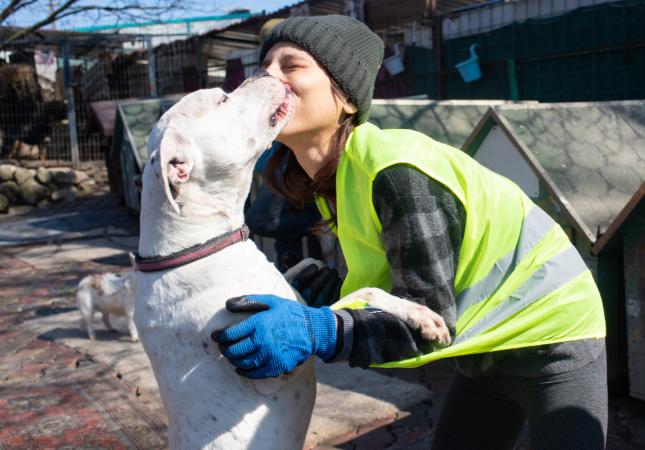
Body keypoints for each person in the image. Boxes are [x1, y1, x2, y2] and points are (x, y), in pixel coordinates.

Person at [211, 15, 608, 449]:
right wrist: (342, 294)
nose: (268, 77)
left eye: (291, 66)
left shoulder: (396, 172)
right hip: (485, 345)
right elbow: (403, 288)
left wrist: (321, 330)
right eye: (264, 67)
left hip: (552, 335)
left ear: (344, 98)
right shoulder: (333, 176)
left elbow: (422, 324)